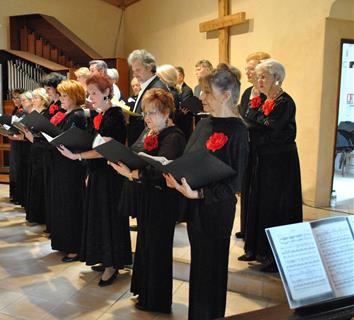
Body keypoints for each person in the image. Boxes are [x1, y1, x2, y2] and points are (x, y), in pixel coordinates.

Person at [165, 64, 248, 319]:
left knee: (213, 269)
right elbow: (189, 157)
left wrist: (199, 194)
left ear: (226, 95)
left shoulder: (239, 131)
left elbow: (235, 183)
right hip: (195, 208)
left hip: (216, 209)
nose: (201, 97)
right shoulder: (204, 124)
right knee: (199, 268)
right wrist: (174, 173)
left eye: (208, 93)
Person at [111, 88, 186, 313]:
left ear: (166, 113)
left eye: (152, 113)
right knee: (145, 246)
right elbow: (137, 153)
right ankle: (145, 292)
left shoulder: (174, 136)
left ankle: (158, 300)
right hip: (148, 198)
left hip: (163, 201)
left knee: (158, 249)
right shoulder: (151, 132)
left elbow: (162, 172)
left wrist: (132, 174)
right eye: (145, 113)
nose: (147, 118)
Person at [57, 73, 131, 286]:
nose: (90, 97)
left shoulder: (115, 115)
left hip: (111, 176)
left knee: (110, 218)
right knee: (99, 217)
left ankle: (112, 264)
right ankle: (105, 257)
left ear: (107, 92)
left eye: (94, 93)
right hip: (98, 174)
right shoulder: (100, 114)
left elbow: (103, 150)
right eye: (88, 93)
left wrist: (77, 155)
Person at [242, 59, 303, 272]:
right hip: (263, 158)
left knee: (275, 205)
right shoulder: (261, 100)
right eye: (258, 76)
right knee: (259, 202)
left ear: (276, 78)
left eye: (263, 76)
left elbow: (271, 128)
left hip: (280, 163)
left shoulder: (285, 102)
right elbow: (251, 120)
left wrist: (251, 120)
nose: (258, 80)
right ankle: (256, 250)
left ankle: (272, 256)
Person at [48, 80, 88, 262]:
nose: (61, 99)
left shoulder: (78, 115)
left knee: (71, 205)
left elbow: (77, 141)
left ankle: (74, 246)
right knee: (63, 203)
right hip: (62, 164)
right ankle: (64, 242)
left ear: (75, 97)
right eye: (61, 95)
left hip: (72, 167)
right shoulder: (68, 114)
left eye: (65, 96)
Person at [235, 51, 271, 241]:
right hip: (246, 145)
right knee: (245, 186)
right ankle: (245, 227)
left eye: (251, 69)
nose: (247, 73)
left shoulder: (269, 94)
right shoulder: (248, 92)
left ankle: (254, 230)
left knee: (255, 190)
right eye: (247, 69)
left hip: (261, 148)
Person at [40, 72, 66, 233]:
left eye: (48, 88)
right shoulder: (52, 106)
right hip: (48, 149)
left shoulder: (62, 107)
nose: (46, 92)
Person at [127, 49, 168, 146]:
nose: (135, 75)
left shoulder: (157, 88)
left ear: (149, 67)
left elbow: (158, 122)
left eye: (138, 70)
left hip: (146, 142)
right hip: (139, 140)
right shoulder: (147, 85)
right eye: (133, 71)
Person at [23, 88, 51, 225]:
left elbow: (44, 134)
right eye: (32, 98)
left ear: (43, 100)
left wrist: (32, 136)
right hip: (34, 149)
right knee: (33, 180)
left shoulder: (46, 114)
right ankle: (33, 214)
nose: (33, 100)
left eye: (36, 98)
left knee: (39, 181)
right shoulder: (34, 113)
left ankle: (40, 215)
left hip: (42, 150)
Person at [7, 90, 32, 206]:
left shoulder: (25, 112)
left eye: (19, 98)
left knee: (19, 168)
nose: (15, 100)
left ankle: (19, 195)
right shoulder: (16, 110)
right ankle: (15, 194)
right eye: (14, 98)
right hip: (15, 142)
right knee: (14, 168)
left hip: (23, 144)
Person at [174, 66, 196, 140]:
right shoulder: (173, 89)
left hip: (184, 122)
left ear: (181, 76)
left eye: (175, 75)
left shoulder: (187, 90)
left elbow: (184, 107)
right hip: (177, 120)